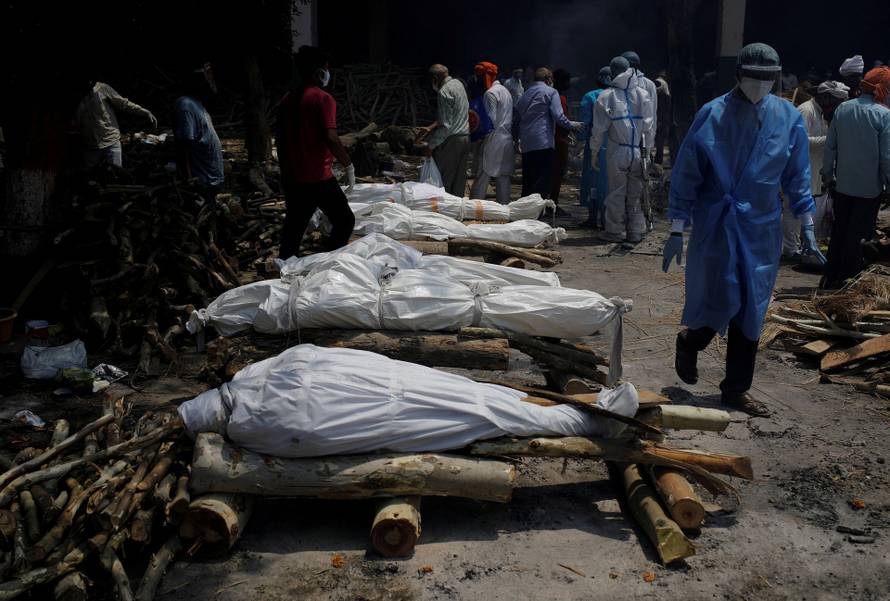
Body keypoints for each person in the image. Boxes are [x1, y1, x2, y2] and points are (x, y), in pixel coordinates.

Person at [662, 43, 823, 417]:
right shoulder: (712, 114)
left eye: (768, 79)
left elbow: (797, 175)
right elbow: (687, 173)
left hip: (761, 227)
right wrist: (676, 227)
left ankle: (735, 390)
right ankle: (691, 341)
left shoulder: (787, 117)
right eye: (753, 77)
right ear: (737, 75)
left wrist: (808, 224)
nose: (759, 85)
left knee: (752, 308)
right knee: (722, 297)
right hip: (718, 222)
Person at [275, 46, 355, 258]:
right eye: (327, 69)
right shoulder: (322, 99)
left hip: (294, 178)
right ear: (319, 72)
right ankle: (328, 263)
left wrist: (285, 174)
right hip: (318, 177)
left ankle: (284, 268)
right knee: (345, 220)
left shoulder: (287, 100)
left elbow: (280, 142)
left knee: (293, 229)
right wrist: (348, 165)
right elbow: (331, 137)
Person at [821, 67, 890, 289]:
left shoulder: (843, 109)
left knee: (840, 231)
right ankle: (849, 283)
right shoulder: (884, 115)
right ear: (882, 88)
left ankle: (830, 277)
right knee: (860, 236)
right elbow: (886, 157)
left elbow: (830, 147)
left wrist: (828, 176)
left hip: (843, 186)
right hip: (869, 190)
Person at [588, 56, 654, 244]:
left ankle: (615, 231)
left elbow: (599, 129)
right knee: (636, 192)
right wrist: (648, 150)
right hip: (638, 151)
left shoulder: (606, 96)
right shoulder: (643, 94)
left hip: (617, 150)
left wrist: (594, 151)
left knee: (616, 193)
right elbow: (649, 126)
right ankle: (635, 231)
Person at [782, 80, 849, 260]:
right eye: (836, 101)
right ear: (825, 97)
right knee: (792, 210)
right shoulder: (806, 110)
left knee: (804, 210)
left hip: (812, 168)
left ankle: (799, 246)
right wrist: (830, 139)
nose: (837, 106)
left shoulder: (821, 113)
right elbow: (801, 140)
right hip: (799, 168)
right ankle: (789, 250)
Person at [512, 67, 581, 199]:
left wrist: (516, 138)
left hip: (527, 142)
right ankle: (537, 213)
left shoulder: (526, 92)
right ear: (548, 79)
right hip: (543, 141)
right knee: (542, 180)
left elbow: (517, 115)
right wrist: (572, 125)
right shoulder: (551, 92)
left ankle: (524, 211)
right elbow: (558, 116)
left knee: (528, 179)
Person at [75, 79, 157, 168]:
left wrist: (144, 112)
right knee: (90, 178)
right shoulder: (77, 95)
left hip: (111, 141)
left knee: (115, 175)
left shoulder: (102, 88)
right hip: (91, 146)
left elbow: (124, 103)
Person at [417, 64, 470, 197]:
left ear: (435, 78)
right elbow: (452, 115)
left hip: (452, 141)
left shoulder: (444, 92)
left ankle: (444, 213)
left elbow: (446, 126)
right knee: (459, 180)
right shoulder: (458, 84)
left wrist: (431, 146)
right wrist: (431, 127)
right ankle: (457, 211)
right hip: (465, 137)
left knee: (445, 180)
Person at [173, 64, 224, 188]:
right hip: (202, 181)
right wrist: (188, 178)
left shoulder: (197, 104)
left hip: (211, 178)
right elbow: (183, 145)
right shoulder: (186, 105)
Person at [470, 62, 514, 204]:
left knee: (483, 175)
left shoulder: (490, 94)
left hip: (493, 138)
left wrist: (477, 136)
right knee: (503, 178)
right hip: (506, 138)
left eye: (479, 77)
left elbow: (491, 121)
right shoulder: (505, 91)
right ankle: (503, 210)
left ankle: (475, 209)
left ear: (485, 77)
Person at [579, 67, 611, 227]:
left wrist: (580, 138)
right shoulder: (618, 96)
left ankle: (592, 218)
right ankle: (606, 220)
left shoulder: (590, 96)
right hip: (613, 144)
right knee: (607, 181)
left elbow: (585, 123)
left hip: (593, 143)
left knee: (592, 180)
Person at [621, 51, 658, 154]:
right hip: (624, 135)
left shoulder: (648, 84)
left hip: (641, 134)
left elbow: (652, 113)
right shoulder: (619, 83)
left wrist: (650, 142)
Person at [549, 68, 572, 205]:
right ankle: (553, 203)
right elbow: (562, 119)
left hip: (556, 138)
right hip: (559, 140)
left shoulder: (553, 95)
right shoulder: (559, 97)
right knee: (557, 173)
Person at [654, 70, 672, 165]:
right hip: (661, 118)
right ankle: (657, 161)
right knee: (660, 141)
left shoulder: (656, 85)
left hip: (656, 118)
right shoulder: (664, 86)